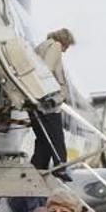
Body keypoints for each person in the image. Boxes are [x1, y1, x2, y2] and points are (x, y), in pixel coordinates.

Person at [30, 28, 74, 181]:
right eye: (66, 47)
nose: (65, 51)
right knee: (56, 137)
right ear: (64, 41)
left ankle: (37, 167)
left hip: (36, 101)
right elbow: (46, 70)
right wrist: (52, 95)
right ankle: (59, 167)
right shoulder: (54, 46)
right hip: (48, 103)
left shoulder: (40, 47)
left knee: (43, 140)